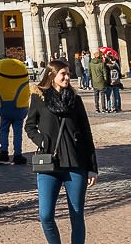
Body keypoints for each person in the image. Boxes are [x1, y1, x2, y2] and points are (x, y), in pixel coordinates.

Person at [24, 59, 97, 244]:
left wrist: (92, 167)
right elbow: (30, 126)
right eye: (63, 74)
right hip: (49, 163)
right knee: (46, 215)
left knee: (77, 215)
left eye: (68, 73)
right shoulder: (39, 98)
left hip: (75, 162)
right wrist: (41, 140)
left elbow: (86, 133)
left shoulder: (75, 100)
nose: (67, 77)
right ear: (52, 75)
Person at [0, 57, 31, 164]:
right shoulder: (22, 70)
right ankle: (18, 154)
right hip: (19, 108)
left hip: (4, 108)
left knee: (3, 130)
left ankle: (3, 151)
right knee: (18, 132)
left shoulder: (0, 69)